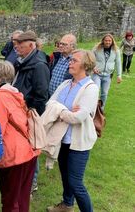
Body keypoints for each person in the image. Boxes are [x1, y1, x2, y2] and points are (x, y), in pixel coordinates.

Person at [46, 49, 99, 212]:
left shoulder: (91, 88)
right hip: (63, 139)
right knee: (66, 177)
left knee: (76, 183)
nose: (70, 62)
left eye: (74, 60)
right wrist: (66, 110)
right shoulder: (65, 84)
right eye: (70, 60)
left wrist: (60, 111)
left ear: (85, 64)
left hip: (79, 142)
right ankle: (67, 205)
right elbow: (49, 104)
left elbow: (78, 117)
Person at [0, 60, 39, 212]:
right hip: (28, 151)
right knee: (22, 198)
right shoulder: (14, 93)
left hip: (14, 155)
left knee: (10, 201)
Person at [12, 30, 50, 194]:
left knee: (31, 148)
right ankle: (22, 177)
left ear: (31, 45)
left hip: (28, 114)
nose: (17, 48)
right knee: (22, 147)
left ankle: (31, 182)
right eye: (16, 45)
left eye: (20, 45)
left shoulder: (39, 65)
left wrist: (31, 114)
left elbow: (41, 96)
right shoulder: (24, 61)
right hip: (20, 112)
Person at [92, 33, 122, 109]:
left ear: (112, 41)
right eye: (106, 40)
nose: (108, 42)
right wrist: (93, 68)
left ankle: (101, 110)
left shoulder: (116, 50)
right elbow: (90, 59)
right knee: (95, 91)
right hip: (97, 74)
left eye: (109, 40)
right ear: (103, 41)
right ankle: (92, 109)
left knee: (104, 93)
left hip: (108, 75)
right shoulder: (96, 49)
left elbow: (118, 63)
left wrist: (119, 75)